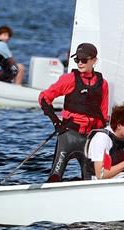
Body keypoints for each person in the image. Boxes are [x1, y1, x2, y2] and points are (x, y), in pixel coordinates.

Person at [38, 42, 109, 183]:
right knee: (55, 177)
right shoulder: (69, 79)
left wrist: (103, 137)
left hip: (89, 140)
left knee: (90, 181)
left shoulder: (103, 84)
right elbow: (44, 98)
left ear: (94, 61)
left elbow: (103, 115)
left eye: (84, 60)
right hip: (68, 136)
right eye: (77, 59)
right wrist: (55, 121)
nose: (80, 63)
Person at [84, 102, 124, 180]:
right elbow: (101, 174)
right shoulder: (102, 138)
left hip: (121, 177)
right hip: (102, 182)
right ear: (119, 125)